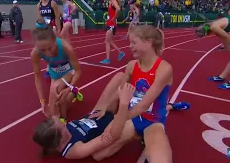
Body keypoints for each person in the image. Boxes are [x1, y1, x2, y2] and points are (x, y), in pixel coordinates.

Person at [32, 25, 189, 161]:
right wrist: (112, 109)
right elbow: (122, 95)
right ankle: (140, 132)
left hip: (149, 118)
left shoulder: (164, 69)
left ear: (149, 43)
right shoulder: (131, 65)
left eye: (133, 42)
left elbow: (142, 105)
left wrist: (117, 113)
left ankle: (164, 110)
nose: (129, 46)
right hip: (129, 115)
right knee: (99, 155)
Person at [31, 19, 81, 122]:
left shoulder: (66, 48)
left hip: (69, 71)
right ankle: (74, 93)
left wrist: (69, 87)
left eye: (50, 48)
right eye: (42, 50)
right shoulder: (35, 54)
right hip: (55, 75)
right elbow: (37, 77)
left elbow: (78, 71)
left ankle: (63, 120)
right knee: (53, 109)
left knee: (55, 89)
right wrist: (42, 101)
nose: (47, 53)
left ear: (55, 41)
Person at [195, 15, 230, 89]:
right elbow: (225, 39)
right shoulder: (213, 26)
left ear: (206, 33)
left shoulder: (214, 28)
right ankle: (222, 77)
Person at [37, 0, 62, 78]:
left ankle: (50, 68)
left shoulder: (52, 3)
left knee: (53, 49)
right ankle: (52, 66)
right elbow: (39, 19)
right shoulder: (38, 5)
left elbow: (57, 16)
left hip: (52, 28)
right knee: (45, 50)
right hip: (43, 30)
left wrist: (58, 29)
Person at [100, 0, 125, 64]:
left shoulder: (113, 1)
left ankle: (107, 59)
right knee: (109, 41)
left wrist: (114, 18)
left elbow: (118, 9)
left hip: (112, 24)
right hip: (110, 24)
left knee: (107, 41)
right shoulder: (111, 2)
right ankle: (120, 52)